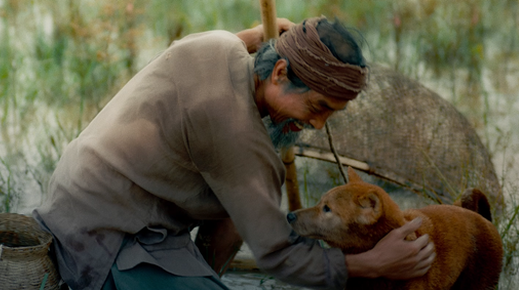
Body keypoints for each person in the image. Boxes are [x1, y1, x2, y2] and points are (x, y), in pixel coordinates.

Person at [34, 16, 435, 290]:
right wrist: (375, 263)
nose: (317, 125)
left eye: (332, 112)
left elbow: (243, 42)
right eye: (316, 107)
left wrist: (262, 38)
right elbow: (280, 256)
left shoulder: (218, 44)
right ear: (278, 73)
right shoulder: (243, 145)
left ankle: (198, 274)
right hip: (103, 237)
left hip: (75, 191)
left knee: (235, 213)